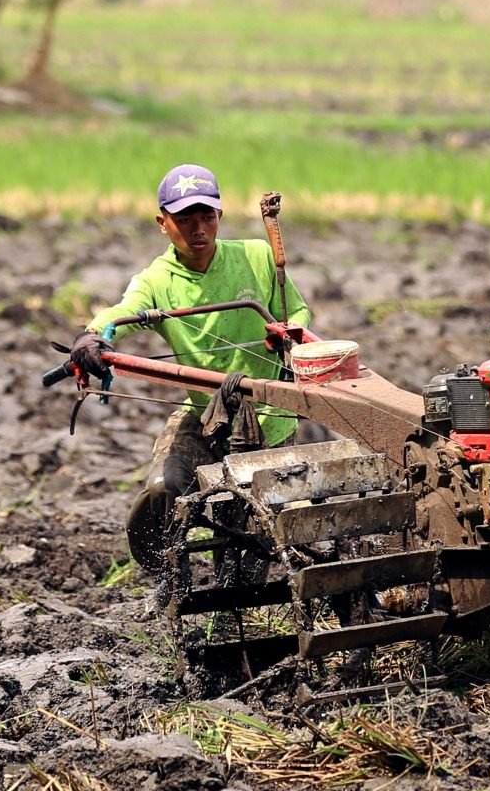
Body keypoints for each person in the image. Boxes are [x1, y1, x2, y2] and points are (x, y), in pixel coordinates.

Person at [68, 162, 314, 572]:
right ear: (163, 223)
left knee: (250, 545)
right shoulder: (156, 281)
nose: (198, 230)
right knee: (162, 490)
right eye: (184, 219)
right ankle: (169, 578)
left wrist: (292, 331)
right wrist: (94, 336)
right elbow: (123, 313)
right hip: (205, 415)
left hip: (270, 419)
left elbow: (299, 308)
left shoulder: (256, 256)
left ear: (219, 216)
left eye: (206, 217)